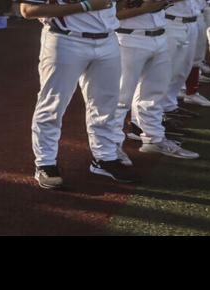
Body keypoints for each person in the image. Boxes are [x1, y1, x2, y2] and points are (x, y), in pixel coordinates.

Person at [21, 0, 138, 189]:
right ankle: (45, 162)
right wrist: (86, 6)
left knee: (106, 104)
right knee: (53, 103)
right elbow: (29, 10)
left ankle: (105, 157)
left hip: (108, 38)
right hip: (65, 40)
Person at [115, 0, 198, 160]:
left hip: (159, 35)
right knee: (120, 98)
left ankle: (154, 139)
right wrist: (146, 8)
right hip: (129, 37)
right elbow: (112, 15)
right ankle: (111, 148)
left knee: (154, 94)